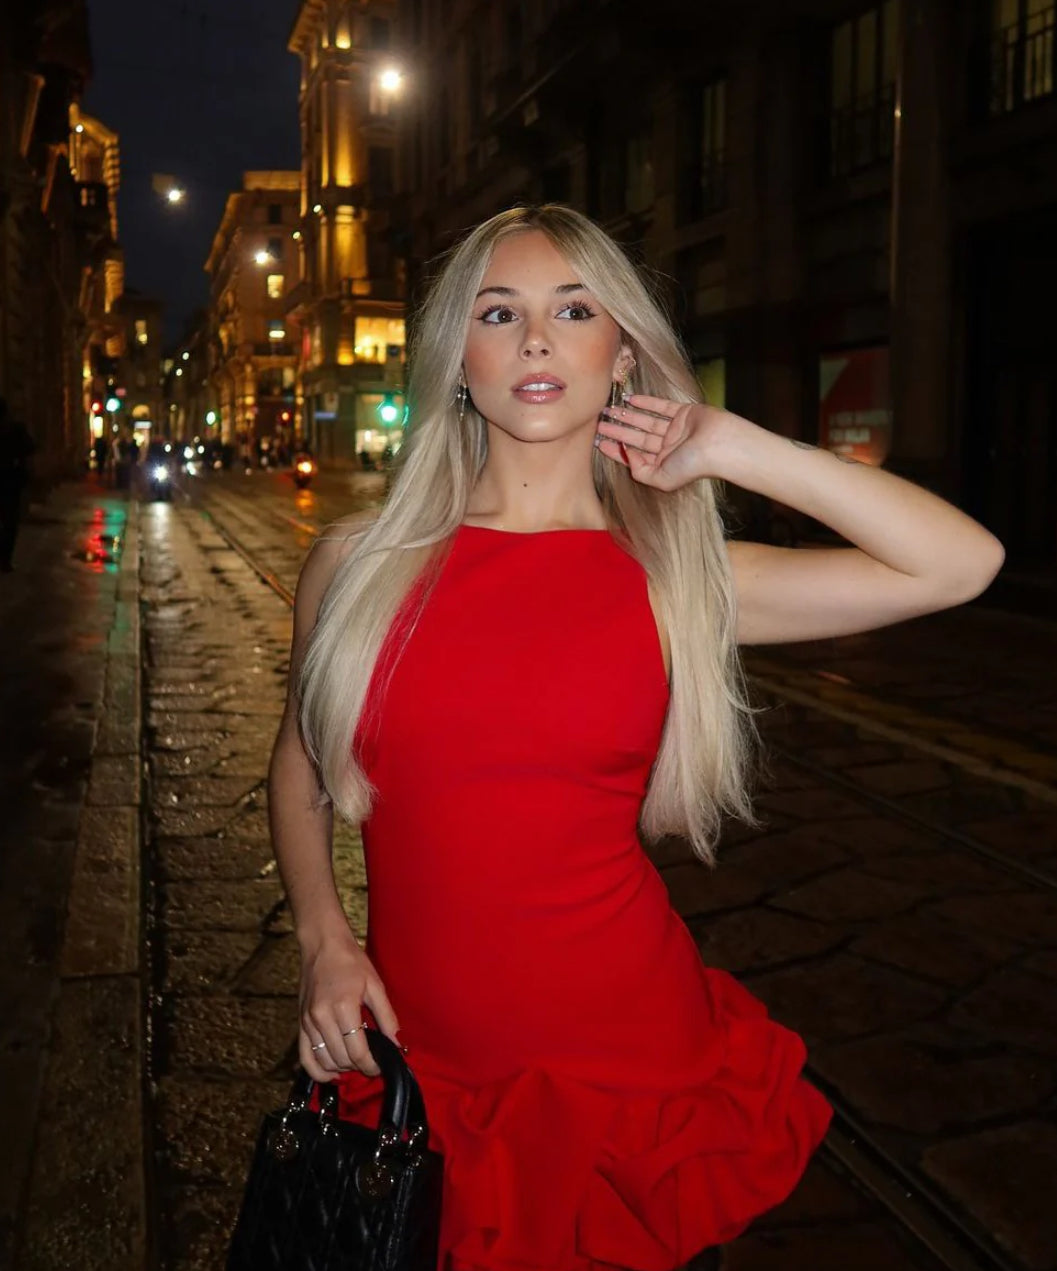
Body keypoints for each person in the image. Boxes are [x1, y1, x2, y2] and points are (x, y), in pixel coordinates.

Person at [267, 206, 1004, 1270]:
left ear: (620, 357)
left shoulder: (673, 580)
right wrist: (322, 938)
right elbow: (298, 767)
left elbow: (959, 562)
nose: (535, 339)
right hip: (420, 1060)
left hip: (628, 1073)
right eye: (498, 311)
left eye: (574, 310)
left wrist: (735, 445)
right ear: (456, 362)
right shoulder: (356, 564)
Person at [0, 398, 36, 572]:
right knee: (10, 521)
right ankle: (4, 559)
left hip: (10, 479)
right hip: (11, 480)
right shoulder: (15, 429)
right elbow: (30, 448)